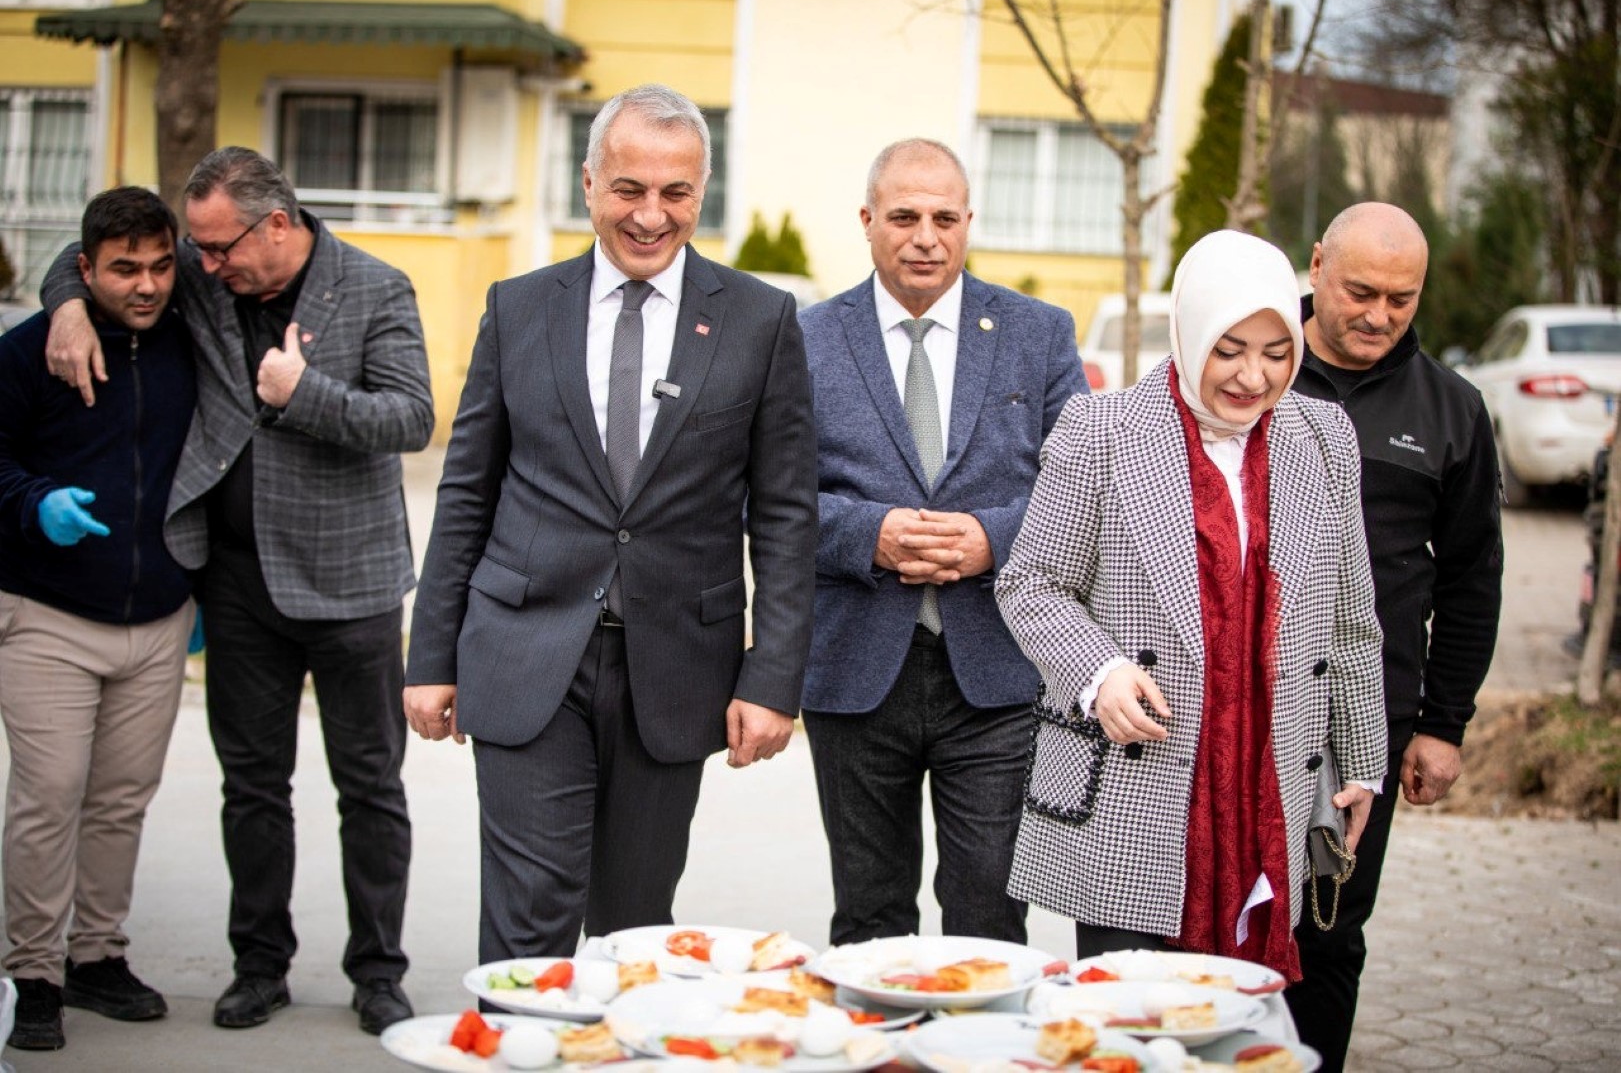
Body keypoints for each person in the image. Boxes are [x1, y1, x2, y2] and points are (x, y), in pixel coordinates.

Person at [403, 84, 817, 963]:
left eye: (674, 193)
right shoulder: (518, 310)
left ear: (701, 192)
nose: (649, 216)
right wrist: (431, 656)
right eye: (629, 189)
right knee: (529, 919)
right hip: (523, 653)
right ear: (588, 183)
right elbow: (467, 492)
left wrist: (773, 674)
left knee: (633, 929)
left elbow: (784, 514)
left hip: (673, 669)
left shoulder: (760, 319)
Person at [41, 147, 434, 1035]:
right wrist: (67, 307)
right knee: (252, 789)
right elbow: (81, 257)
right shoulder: (205, 270)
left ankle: (379, 972)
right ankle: (259, 965)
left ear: (279, 225)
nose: (201, 268)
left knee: (369, 786)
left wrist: (306, 393)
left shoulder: (377, 287)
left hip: (352, 583)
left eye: (218, 250)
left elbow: (411, 419)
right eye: (200, 250)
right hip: (237, 577)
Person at [995, 230, 1388, 977]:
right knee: (1130, 1023)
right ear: (1188, 331)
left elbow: (1350, 619)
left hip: (1267, 780)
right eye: (1228, 348)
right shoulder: (1101, 430)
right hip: (1137, 785)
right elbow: (1030, 581)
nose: (1251, 376)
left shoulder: (1324, 436)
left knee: (1241, 1017)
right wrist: (1099, 672)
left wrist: (1363, 765)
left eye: (1276, 354)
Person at [798, 139, 1084, 946]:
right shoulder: (806, 339)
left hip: (996, 673)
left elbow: (1083, 489)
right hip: (854, 672)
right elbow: (766, 497)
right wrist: (867, 533)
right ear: (866, 221)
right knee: (868, 913)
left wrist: (995, 538)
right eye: (903, 217)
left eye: (943, 218)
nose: (925, 236)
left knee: (990, 913)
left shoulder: (1039, 334)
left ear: (968, 223)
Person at [1286, 202, 1503, 1072]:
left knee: (1328, 932)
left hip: (1365, 721)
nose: (1377, 316)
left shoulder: (1452, 410)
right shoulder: (1253, 369)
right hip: (1233, 700)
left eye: (1400, 300)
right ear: (1315, 267)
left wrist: (1443, 725)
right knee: (1218, 915)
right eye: (1360, 292)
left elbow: (1470, 576)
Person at [0, 187, 195, 1052]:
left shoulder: (193, 341)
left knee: (120, 802)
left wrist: (198, 597)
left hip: (158, 618)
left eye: (160, 266)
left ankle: (96, 956)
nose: (147, 286)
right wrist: (36, 501)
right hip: (47, 613)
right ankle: (31, 971)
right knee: (48, 797)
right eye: (124, 270)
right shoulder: (30, 351)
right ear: (84, 270)